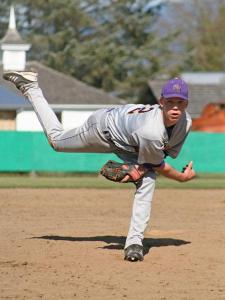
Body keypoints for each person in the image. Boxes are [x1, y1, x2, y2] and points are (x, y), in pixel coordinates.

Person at [3, 71, 196, 262]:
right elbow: (158, 164)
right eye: (170, 102)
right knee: (57, 141)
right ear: (161, 102)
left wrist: (141, 168)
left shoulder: (185, 123)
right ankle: (31, 87)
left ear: (186, 104)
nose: (175, 107)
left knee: (147, 180)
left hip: (130, 142)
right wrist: (181, 177)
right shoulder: (151, 130)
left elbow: (161, 154)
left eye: (180, 102)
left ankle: (134, 243)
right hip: (103, 130)